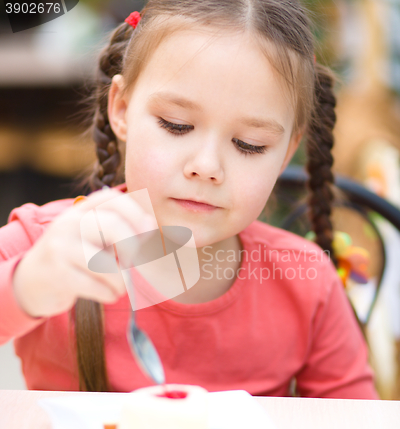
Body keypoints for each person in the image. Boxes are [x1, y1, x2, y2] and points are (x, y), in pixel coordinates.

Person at [0, 0, 379, 398]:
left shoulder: (306, 283)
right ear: (122, 109)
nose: (207, 166)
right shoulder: (47, 245)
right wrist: (26, 285)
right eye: (177, 126)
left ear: (286, 152)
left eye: (249, 145)